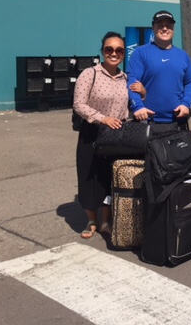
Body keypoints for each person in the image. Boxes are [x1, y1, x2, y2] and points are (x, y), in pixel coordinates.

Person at [73, 32, 129, 239]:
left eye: (119, 50)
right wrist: (102, 118)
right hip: (93, 132)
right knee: (89, 175)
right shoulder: (90, 74)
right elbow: (79, 104)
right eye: (109, 49)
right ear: (102, 51)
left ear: (123, 53)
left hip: (116, 134)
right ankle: (91, 220)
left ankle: (105, 220)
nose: (114, 53)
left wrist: (143, 93)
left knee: (109, 177)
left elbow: (130, 107)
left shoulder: (126, 78)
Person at [127, 10, 191, 126]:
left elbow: (190, 82)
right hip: (148, 121)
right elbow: (132, 82)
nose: (165, 29)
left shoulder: (183, 55)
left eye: (169, 26)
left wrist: (186, 103)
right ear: (153, 28)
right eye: (160, 25)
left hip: (177, 120)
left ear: (173, 29)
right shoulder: (140, 53)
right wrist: (138, 106)